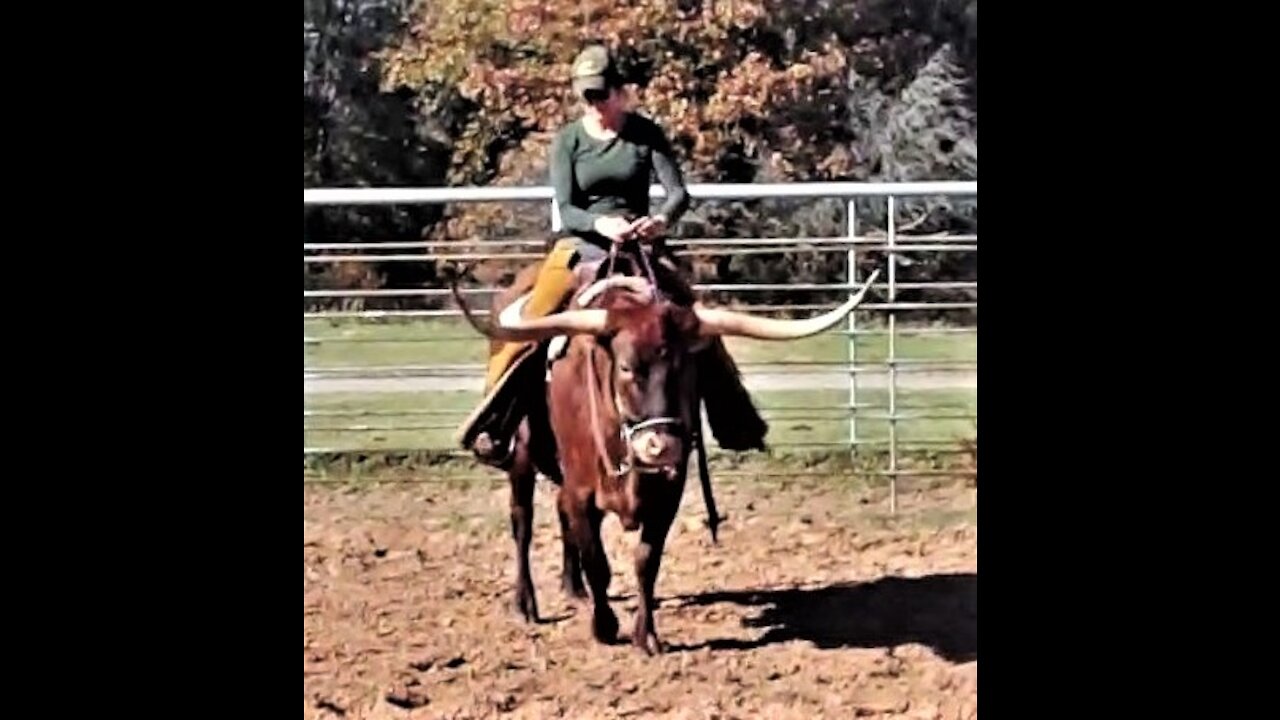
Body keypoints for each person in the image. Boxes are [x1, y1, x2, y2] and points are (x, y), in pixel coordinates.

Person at [458, 43, 767, 467]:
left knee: (694, 320)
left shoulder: (645, 134)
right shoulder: (568, 140)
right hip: (578, 248)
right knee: (523, 321)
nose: (596, 103)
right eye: (587, 95)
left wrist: (658, 221)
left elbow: (678, 193)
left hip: (642, 247)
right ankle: (494, 422)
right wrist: (600, 224)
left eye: (602, 94)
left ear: (621, 92)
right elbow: (565, 207)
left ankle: (735, 418)